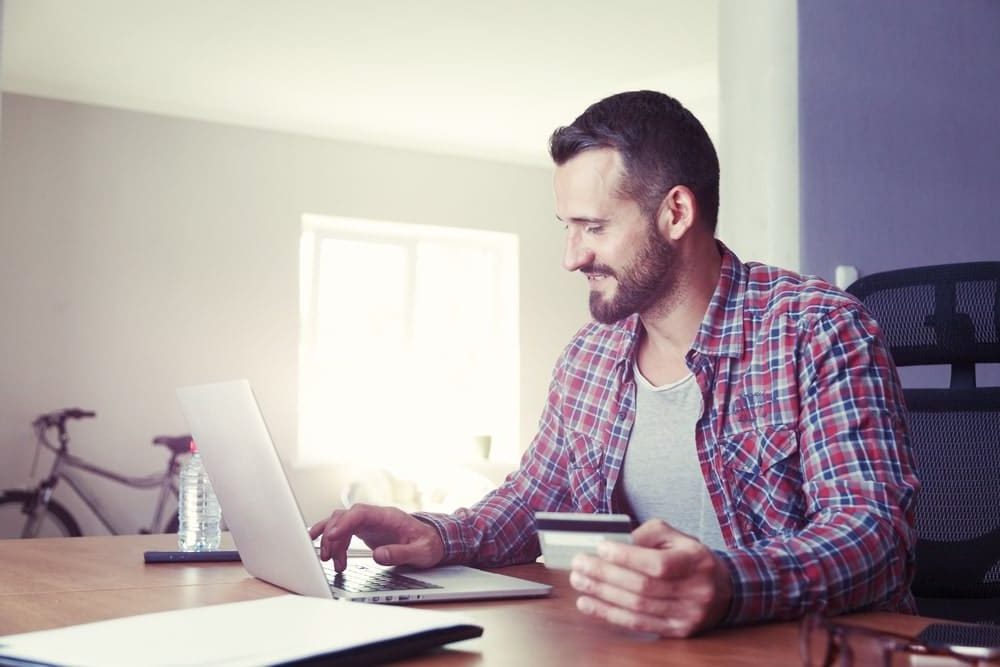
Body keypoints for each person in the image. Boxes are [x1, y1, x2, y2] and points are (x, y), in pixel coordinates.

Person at [310, 90, 920, 637]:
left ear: (676, 213)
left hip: (801, 649)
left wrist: (730, 582)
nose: (571, 257)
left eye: (592, 227)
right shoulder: (589, 356)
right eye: (566, 228)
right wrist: (437, 535)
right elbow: (533, 499)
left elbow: (874, 534)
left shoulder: (817, 328)